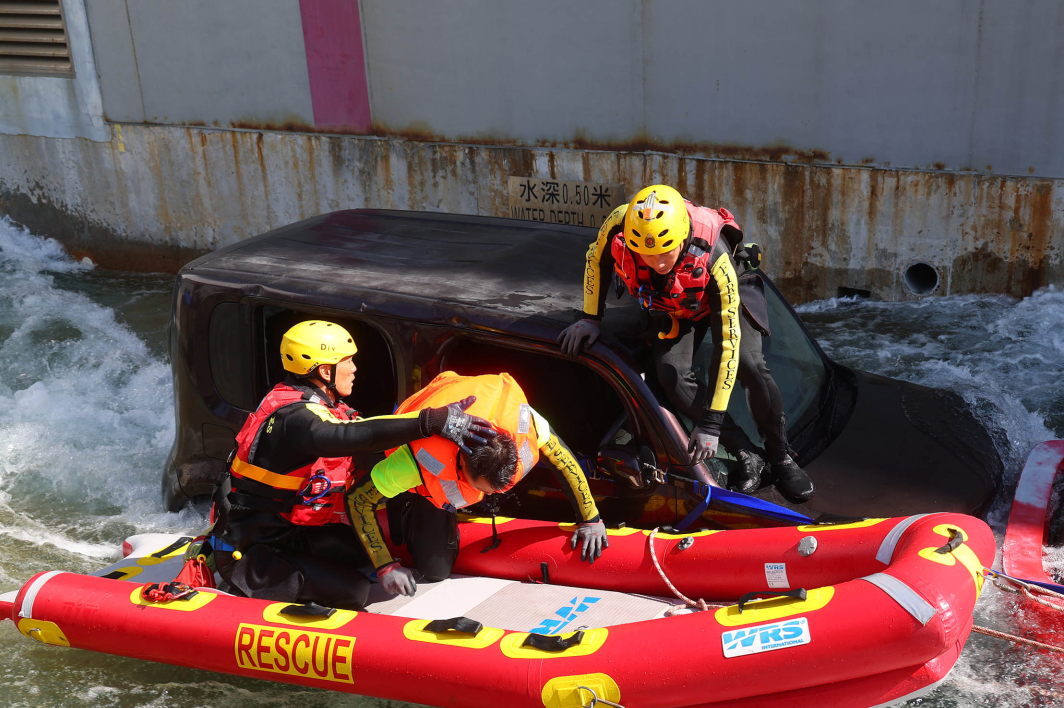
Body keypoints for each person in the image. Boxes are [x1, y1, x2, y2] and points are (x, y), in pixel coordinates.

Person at [211, 321, 495, 609]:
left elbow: (366, 438)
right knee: (355, 591)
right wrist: (430, 421)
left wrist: (435, 430)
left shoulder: (321, 404)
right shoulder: (294, 419)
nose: (355, 368)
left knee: (361, 557)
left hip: (292, 534)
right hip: (251, 552)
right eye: (347, 361)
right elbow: (340, 436)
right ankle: (242, 587)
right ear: (325, 371)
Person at [558, 184, 813, 503]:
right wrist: (589, 318)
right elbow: (596, 259)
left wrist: (709, 423)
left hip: (722, 298)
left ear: (681, 238)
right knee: (670, 374)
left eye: (665, 252)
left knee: (750, 366)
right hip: (674, 304)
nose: (656, 262)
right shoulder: (619, 223)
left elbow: (727, 345)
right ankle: (746, 450)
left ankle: (780, 455)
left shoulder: (715, 256)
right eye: (646, 255)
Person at [345, 370, 609, 596]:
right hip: (426, 456)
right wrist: (385, 565)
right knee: (435, 571)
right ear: (460, 464)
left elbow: (565, 463)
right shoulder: (414, 461)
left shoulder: (524, 424)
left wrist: (591, 519)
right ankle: (410, 504)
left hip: (485, 402)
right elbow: (357, 500)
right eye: (481, 488)